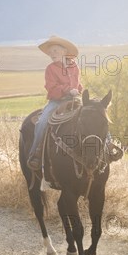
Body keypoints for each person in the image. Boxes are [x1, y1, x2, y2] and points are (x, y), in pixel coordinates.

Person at [27, 36, 83, 170]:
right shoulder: (50, 69)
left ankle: (108, 146)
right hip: (57, 101)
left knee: (95, 113)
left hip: (75, 100)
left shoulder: (74, 66)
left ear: (64, 51)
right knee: (42, 122)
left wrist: (80, 90)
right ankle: (36, 153)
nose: (52, 54)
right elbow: (51, 88)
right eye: (50, 52)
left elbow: (78, 83)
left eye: (55, 51)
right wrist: (68, 90)